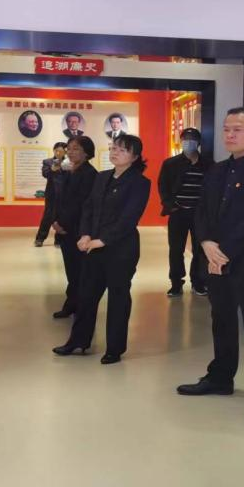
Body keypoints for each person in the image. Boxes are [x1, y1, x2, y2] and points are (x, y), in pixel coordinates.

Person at [176, 109, 244, 425]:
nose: (229, 135)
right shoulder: (218, 169)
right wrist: (205, 242)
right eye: (226, 129)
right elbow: (202, 210)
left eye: (237, 129)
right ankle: (221, 377)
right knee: (221, 320)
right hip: (216, 261)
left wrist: (222, 250)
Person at [52, 135, 150, 364]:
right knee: (86, 295)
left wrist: (103, 240)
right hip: (93, 246)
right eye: (114, 148)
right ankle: (78, 341)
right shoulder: (102, 177)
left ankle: (114, 348)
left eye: (123, 150)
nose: (115, 153)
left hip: (121, 249)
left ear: (135, 157)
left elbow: (129, 218)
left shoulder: (140, 183)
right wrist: (85, 234)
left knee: (118, 298)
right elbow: (88, 207)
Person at [157, 127, 211, 297]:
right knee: (176, 249)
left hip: (199, 214)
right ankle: (176, 283)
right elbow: (163, 186)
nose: (188, 143)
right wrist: (170, 205)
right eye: (185, 139)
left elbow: (213, 189)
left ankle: (198, 282)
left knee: (200, 249)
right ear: (180, 142)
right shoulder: (170, 164)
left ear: (198, 143)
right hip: (178, 212)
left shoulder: (208, 164)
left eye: (192, 139)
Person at [51, 136, 98, 319]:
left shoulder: (89, 174)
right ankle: (72, 303)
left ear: (86, 152)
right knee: (72, 270)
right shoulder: (71, 171)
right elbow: (61, 200)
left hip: (78, 230)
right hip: (65, 228)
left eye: (76, 149)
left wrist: (63, 224)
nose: (70, 152)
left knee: (79, 271)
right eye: (69, 148)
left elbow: (82, 205)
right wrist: (55, 220)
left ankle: (78, 306)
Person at [35, 142, 67, 247]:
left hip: (65, 194)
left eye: (61, 151)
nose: (59, 153)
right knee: (48, 216)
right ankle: (40, 239)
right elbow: (45, 174)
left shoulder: (69, 162)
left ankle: (59, 240)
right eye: (57, 150)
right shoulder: (47, 162)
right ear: (54, 150)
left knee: (62, 217)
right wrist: (52, 169)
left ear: (65, 152)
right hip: (52, 194)